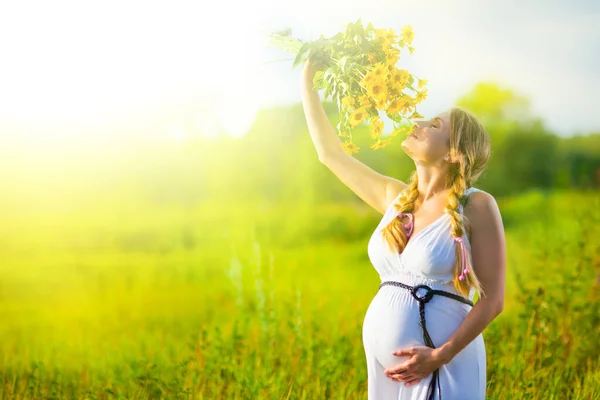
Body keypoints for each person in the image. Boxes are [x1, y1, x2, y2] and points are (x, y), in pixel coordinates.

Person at [300, 58, 506, 400]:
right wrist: (308, 85)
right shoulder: (393, 197)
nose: (418, 122)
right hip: (387, 373)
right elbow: (330, 154)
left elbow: (493, 300)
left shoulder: (477, 205)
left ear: (454, 153)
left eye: (434, 124)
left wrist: (441, 355)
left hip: (443, 365)